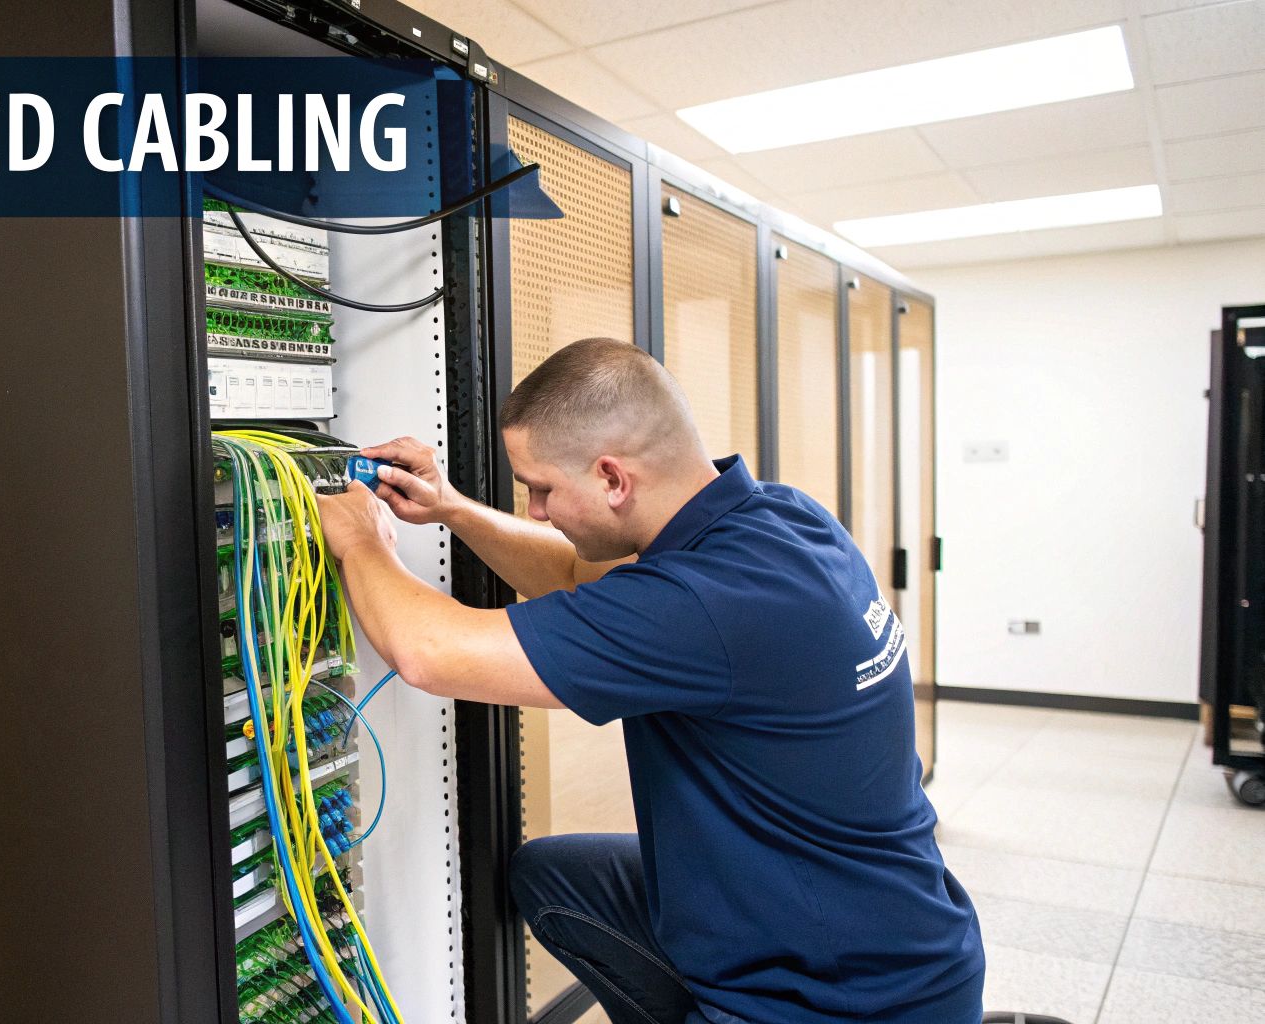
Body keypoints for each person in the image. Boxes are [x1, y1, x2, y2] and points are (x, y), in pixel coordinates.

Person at [314, 337, 984, 1024]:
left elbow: (427, 652)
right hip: (897, 927)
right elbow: (578, 575)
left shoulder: (707, 604)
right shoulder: (780, 518)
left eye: (542, 490)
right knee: (554, 877)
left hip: (849, 998)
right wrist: (451, 507)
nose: (536, 510)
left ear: (612, 479)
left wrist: (361, 541)